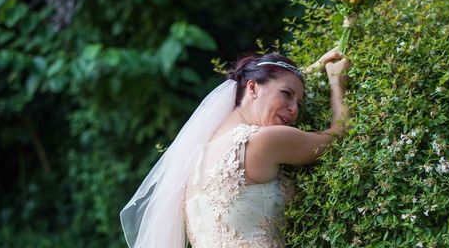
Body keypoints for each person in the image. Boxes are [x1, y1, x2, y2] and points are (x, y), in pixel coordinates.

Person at [120, 49, 350, 248]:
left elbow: (270, 88)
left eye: (298, 103)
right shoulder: (263, 140)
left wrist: (301, 75)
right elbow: (338, 135)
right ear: (252, 87)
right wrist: (336, 83)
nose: (294, 110)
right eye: (287, 95)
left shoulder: (199, 154)